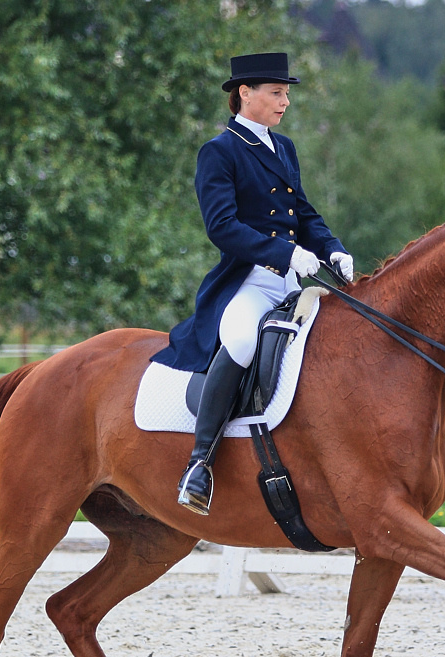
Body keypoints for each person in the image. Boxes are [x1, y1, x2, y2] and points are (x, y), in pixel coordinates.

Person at [151, 52, 354, 516]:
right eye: (277, 93)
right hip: (250, 281)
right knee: (242, 341)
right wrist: (286, 253)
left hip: (292, 283)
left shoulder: (284, 149)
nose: (286, 102)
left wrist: (331, 248)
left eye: (286, 94)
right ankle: (198, 465)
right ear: (245, 93)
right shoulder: (219, 152)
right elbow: (222, 227)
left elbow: (303, 214)